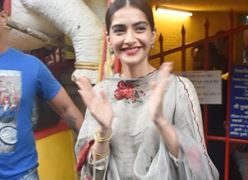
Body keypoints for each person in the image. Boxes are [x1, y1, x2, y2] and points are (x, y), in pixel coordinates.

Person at [74, 0, 219, 179]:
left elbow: (197, 168)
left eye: (139, 28)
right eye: (120, 30)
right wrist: (104, 131)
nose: (129, 39)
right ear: (109, 39)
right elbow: (91, 174)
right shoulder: (101, 94)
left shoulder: (179, 89)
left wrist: (162, 122)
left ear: (152, 35)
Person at [0, 3, 83, 179]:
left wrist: (91, 142)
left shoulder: (31, 65)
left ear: (3, 18)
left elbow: (66, 108)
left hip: (22, 174)